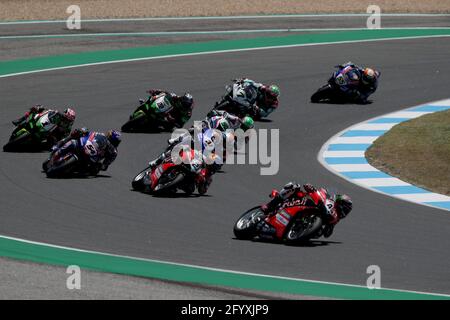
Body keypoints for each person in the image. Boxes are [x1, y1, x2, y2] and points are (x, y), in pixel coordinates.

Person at [260, 182, 353, 238]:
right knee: (293, 185)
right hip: (301, 201)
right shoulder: (329, 199)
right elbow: (318, 192)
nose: (345, 211)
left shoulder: (335, 218)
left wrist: (327, 228)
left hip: (303, 221)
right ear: (339, 202)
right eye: (345, 208)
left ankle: (295, 227)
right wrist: (311, 189)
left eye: (346, 210)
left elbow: (327, 234)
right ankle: (270, 205)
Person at [50, 128, 121, 174]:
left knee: (93, 171)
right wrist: (83, 130)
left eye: (115, 142)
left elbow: (106, 164)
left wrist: (101, 166)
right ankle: (58, 146)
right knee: (73, 138)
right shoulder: (100, 135)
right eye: (112, 140)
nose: (113, 143)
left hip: (94, 158)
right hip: (85, 145)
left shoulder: (114, 152)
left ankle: (73, 169)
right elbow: (90, 134)